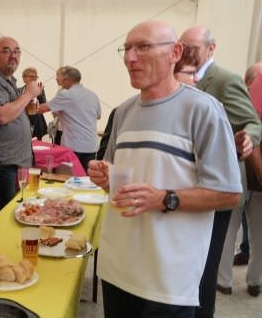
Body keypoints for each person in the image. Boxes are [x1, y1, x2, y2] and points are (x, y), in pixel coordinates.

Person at [88, 20, 241, 317]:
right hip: (117, 269)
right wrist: (105, 176)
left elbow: (228, 193)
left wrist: (164, 198)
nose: (130, 57)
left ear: (175, 53)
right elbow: (118, 180)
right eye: (127, 48)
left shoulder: (204, 110)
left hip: (168, 280)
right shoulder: (124, 112)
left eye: (143, 47)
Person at [180, 26, 262, 318]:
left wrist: (249, 138)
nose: (186, 50)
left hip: (214, 188)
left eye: (193, 46)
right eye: (182, 45)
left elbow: (252, 122)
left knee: (207, 264)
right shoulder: (176, 77)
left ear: (211, 49)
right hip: (186, 185)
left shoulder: (225, 80)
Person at [0, 36, 41, 223]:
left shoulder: (8, 80)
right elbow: (2, 116)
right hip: (3, 166)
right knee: (3, 220)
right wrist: (29, 93)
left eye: (16, 51)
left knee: (17, 214)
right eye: (6, 51)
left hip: (16, 163)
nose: (13, 55)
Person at [217, 62, 262, 298]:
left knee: (232, 230)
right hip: (241, 176)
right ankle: (250, 280)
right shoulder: (240, 102)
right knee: (246, 232)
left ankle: (230, 280)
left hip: (239, 176)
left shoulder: (232, 100)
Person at [38, 66, 101, 172]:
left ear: (66, 79)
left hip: (73, 146)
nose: (56, 79)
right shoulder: (92, 95)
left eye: (58, 76)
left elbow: (40, 109)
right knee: (85, 182)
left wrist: (34, 95)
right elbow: (98, 116)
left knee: (66, 180)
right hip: (91, 145)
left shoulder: (66, 94)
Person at [19, 67, 48, 140]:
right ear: (24, 78)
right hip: (23, 122)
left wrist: (40, 95)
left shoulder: (40, 89)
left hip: (38, 124)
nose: (34, 78)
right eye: (31, 76)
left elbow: (44, 105)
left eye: (35, 77)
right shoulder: (19, 91)